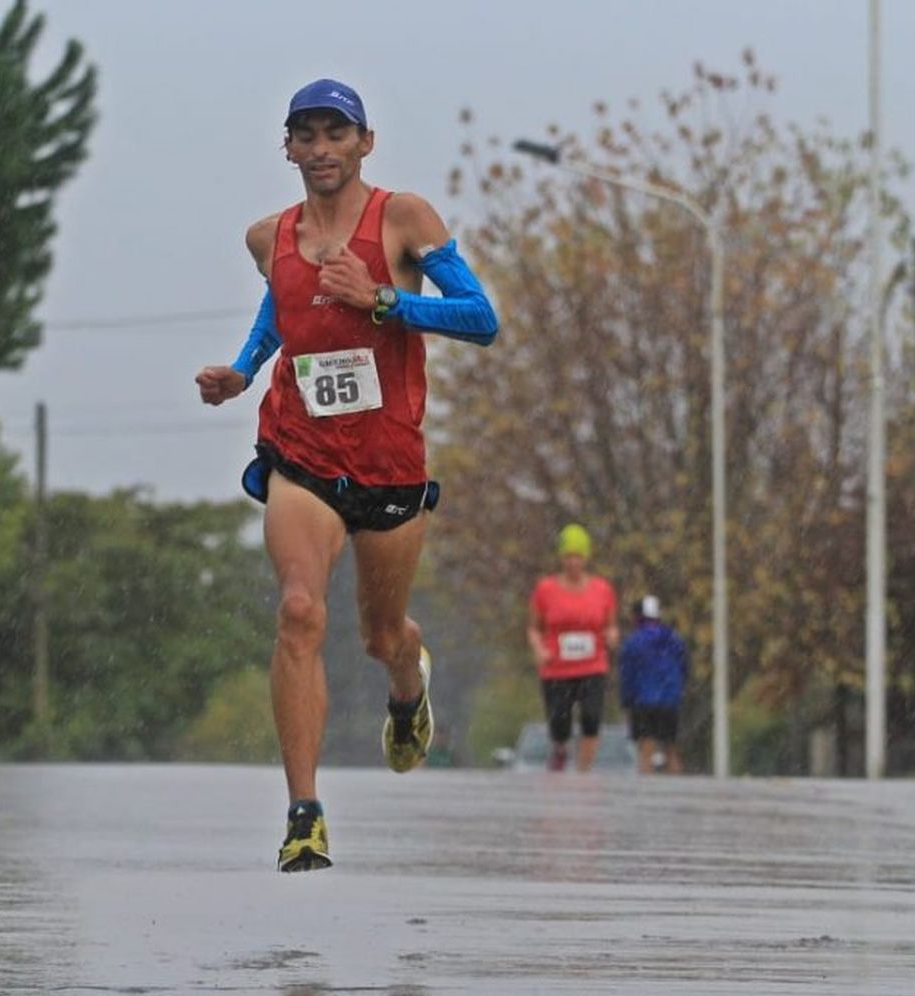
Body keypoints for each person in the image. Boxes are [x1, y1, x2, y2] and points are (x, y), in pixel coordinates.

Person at [194, 79, 498, 871]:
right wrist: (244, 369)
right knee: (299, 611)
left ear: (365, 142)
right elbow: (283, 312)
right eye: (307, 134)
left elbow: (482, 316)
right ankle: (304, 813)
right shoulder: (268, 236)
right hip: (301, 452)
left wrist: (386, 300)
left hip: (390, 463)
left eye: (338, 132)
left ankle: (408, 682)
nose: (322, 148)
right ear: (288, 148)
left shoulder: (405, 219)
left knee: (379, 634)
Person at [527, 524, 618, 772]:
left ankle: (583, 771)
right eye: (568, 556)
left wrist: (612, 635)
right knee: (559, 722)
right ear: (561, 558)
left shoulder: (602, 589)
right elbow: (534, 628)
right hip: (557, 667)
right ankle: (560, 749)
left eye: (578, 556)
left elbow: (611, 625)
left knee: (591, 718)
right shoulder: (546, 589)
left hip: (592, 665)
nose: (573, 562)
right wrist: (538, 649)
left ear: (586, 557)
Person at [618, 595, 687, 774]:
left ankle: (646, 789)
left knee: (646, 748)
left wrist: (626, 701)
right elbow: (684, 667)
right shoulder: (674, 639)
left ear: (637, 616)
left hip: (643, 700)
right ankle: (678, 787)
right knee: (671, 747)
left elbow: (627, 675)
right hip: (670, 700)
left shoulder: (633, 642)